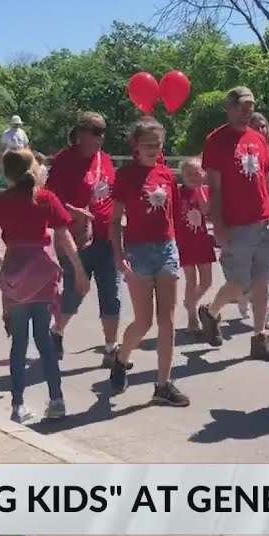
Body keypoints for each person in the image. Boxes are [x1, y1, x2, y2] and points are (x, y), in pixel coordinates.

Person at [0, 148, 88, 423]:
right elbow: (65, 238)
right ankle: (56, 399)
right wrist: (79, 271)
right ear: (35, 169)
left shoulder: (0, 202)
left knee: (19, 342)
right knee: (44, 340)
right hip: (43, 272)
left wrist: (5, 263)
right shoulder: (45, 198)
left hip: (16, 271)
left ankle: (18, 405)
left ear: (6, 174)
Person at [196, 87, 269, 362]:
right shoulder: (216, 140)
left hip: (265, 219)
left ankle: (259, 338)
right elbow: (214, 186)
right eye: (243, 106)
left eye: (251, 106)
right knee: (238, 283)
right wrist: (219, 225)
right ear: (230, 107)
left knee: (261, 281)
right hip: (238, 224)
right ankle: (210, 312)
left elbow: (267, 179)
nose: (248, 111)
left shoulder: (257, 139)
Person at [109, 118, 190, 406]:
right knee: (143, 322)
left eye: (157, 145)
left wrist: (182, 248)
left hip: (166, 249)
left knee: (167, 320)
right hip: (138, 252)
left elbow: (175, 216)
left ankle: (163, 384)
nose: (153, 150)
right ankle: (120, 359)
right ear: (136, 146)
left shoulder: (167, 175)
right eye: (147, 145)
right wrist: (119, 256)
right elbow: (116, 220)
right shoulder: (126, 176)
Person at [45, 112, 121, 368]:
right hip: (77, 241)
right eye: (94, 132)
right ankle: (56, 331)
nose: (100, 138)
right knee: (75, 293)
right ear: (80, 135)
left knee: (111, 294)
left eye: (102, 132)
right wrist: (72, 211)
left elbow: (113, 194)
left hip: (106, 238)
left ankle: (111, 349)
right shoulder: (64, 161)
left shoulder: (106, 161)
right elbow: (49, 199)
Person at [235, 111, 269, 330]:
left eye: (264, 126)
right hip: (251, 216)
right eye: (256, 126)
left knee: (267, 269)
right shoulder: (246, 153)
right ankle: (244, 294)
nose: (261, 130)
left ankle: (267, 312)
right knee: (250, 269)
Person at [175, 157, 215, 337]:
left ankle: (190, 302)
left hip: (202, 240)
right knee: (191, 280)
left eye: (197, 173)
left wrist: (199, 190)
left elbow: (206, 211)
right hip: (184, 241)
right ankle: (192, 316)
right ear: (182, 175)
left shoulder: (205, 192)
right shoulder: (177, 193)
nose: (193, 177)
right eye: (189, 174)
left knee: (206, 280)